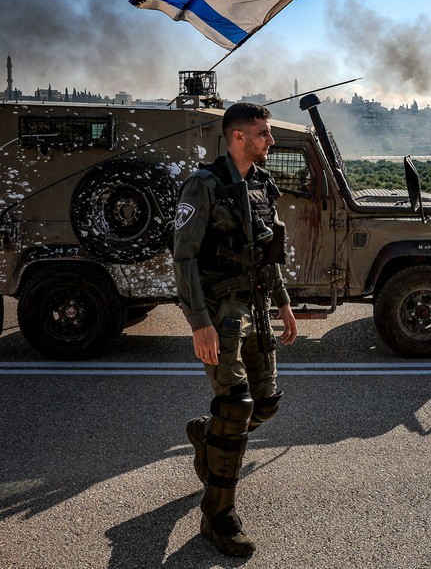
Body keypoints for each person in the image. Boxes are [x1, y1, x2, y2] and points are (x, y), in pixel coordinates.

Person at [173, 102, 297, 557]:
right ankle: (217, 517)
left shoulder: (263, 185)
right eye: (264, 133)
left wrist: (283, 302)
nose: (271, 141)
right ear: (239, 137)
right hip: (219, 312)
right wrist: (199, 323)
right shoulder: (202, 185)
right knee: (237, 404)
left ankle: (208, 436)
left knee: (265, 404)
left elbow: (268, 252)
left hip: (258, 308)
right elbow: (183, 258)